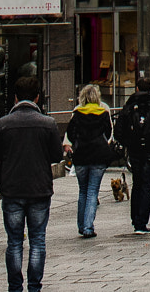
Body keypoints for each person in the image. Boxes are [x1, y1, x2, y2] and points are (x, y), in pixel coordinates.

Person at [0, 73, 65, 292]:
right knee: (38, 240)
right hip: (40, 188)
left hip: (12, 188)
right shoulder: (48, 123)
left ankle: (15, 287)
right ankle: (34, 287)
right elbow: (57, 156)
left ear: (15, 98)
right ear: (38, 98)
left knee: (14, 241)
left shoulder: (3, 124)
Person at [114, 77, 150, 234]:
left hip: (135, 150)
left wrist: (128, 143)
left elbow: (118, 131)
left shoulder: (130, 106)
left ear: (137, 89)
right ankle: (142, 222)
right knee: (147, 185)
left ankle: (136, 220)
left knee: (137, 183)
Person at [63, 84, 115, 237]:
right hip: (98, 156)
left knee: (83, 191)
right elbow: (109, 133)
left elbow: (70, 135)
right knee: (93, 192)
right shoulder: (103, 113)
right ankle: (88, 227)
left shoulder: (77, 114)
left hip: (81, 157)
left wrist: (74, 144)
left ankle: (81, 225)